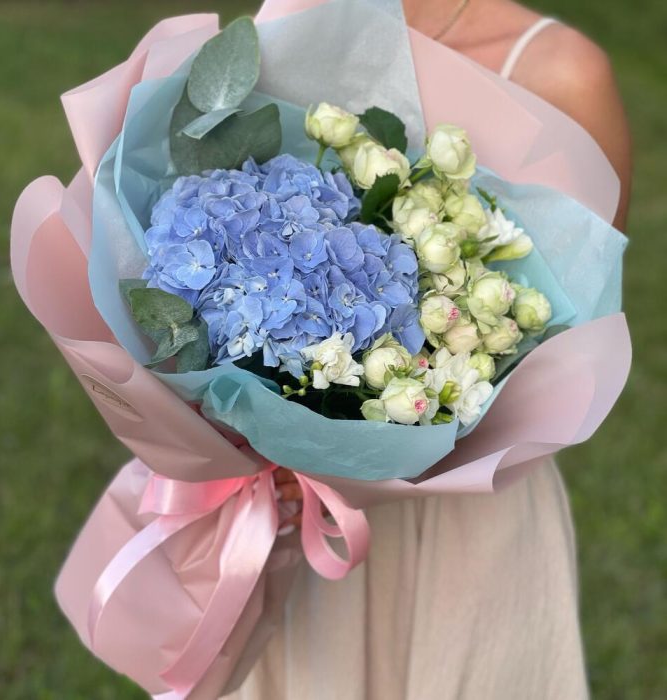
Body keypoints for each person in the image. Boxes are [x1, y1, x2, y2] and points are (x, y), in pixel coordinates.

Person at [226, 1, 632, 698]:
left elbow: (576, 343)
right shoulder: (297, 21)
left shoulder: (563, 73)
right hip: (297, 517)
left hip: (469, 526)